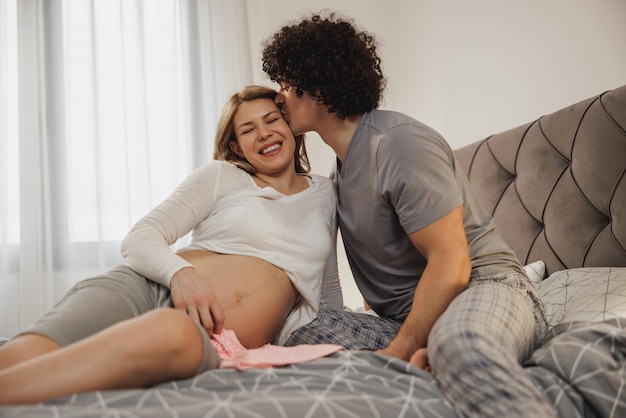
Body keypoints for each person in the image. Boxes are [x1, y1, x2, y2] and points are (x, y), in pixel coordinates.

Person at [261, 12, 555, 418]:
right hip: (411, 318)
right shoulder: (340, 173)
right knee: (300, 332)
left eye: (287, 84)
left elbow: (452, 265)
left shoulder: (399, 143)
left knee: (461, 345)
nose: (279, 96)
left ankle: (447, 355)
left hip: (487, 289)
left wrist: (398, 353)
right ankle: (436, 361)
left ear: (319, 85)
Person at [0, 85, 342, 405]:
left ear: (289, 126)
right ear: (237, 146)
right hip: (144, 288)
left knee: (172, 331)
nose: (264, 132)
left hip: (214, 338)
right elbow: (141, 235)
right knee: (24, 354)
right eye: (248, 129)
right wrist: (180, 274)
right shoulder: (223, 176)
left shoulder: (325, 193)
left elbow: (326, 284)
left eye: (271, 120)